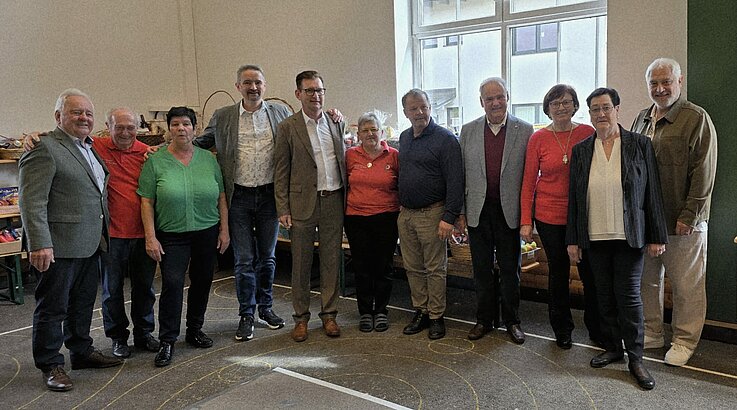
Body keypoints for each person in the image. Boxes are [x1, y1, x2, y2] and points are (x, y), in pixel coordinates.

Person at [23, 108, 161, 358]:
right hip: (108, 235)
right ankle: (118, 337)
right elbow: (63, 137)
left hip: (142, 233)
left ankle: (144, 333)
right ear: (108, 128)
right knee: (111, 291)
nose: (125, 133)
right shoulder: (95, 145)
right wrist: (35, 135)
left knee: (144, 289)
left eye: (131, 128)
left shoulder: (147, 152)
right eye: (119, 127)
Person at [19, 88, 123, 392]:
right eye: (76, 112)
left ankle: (81, 351)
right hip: (57, 245)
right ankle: (50, 363)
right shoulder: (44, 147)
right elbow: (31, 201)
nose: (84, 118)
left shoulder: (89, 147)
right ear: (58, 116)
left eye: (89, 113)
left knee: (82, 303)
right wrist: (39, 243)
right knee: (53, 307)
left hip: (90, 242)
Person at [566, 87, 668, 390]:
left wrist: (657, 235)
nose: (601, 114)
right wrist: (573, 239)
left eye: (606, 108)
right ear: (589, 114)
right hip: (594, 236)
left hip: (629, 236)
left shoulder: (640, 144)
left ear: (617, 110)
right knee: (603, 295)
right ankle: (613, 348)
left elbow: (652, 192)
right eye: (595, 109)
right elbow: (574, 198)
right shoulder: (581, 150)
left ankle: (636, 358)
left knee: (629, 297)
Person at [194, 65, 291, 341]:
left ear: (265, 85)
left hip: (270, 196)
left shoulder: (280, 113)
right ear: (238, 87)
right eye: (247, 82)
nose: (253, 87)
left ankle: (266, 308)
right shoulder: (223, 116)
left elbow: (300, 134)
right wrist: (169, 149)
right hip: (238, 197)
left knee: (268, 258)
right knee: (244, 259)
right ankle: (247, 314)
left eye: (258, 82)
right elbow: (202, 142)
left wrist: (332, 116)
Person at [631, 58, 718, 367]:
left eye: (666, 82)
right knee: (648, 282)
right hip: (647, 222)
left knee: (686, 287)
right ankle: (653, 333)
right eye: (653, 83)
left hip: (682, 222)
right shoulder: (641, 119)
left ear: (679, 82)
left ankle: (684, 340)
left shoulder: (696, 118)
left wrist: (689, 216)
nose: (660, 88)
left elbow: (704, 172)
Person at [138, 106, 230, 367]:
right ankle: (167, 340)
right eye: (176, 124)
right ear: (169, 129)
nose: (181, 129)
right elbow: (146, 201)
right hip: (171, 235)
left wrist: (224, 230)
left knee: (202, 281)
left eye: (186, 124)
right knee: (173, 284)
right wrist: (150, 237)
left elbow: (221, 196)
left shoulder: (209, 159)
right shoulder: (155, 161)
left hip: (206, 231)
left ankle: (195, 329)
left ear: (194, 128)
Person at [519, 84, 602, 349]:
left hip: (583, 216)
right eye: (555, 103)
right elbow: (528, 182)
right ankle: (562, 329)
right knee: (558, 272)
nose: (561, 107)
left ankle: (597, 328)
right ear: (547, 108)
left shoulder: (587, 133)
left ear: (575, 106)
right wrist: (525, 221)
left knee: (589, 272)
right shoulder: (538, 139)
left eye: (566, 102)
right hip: (548, 216)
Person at [457, 78, 533, 344]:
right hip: (478, 211)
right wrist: (461, 213)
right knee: (481, 269)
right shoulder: (467, 131)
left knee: (511, 269)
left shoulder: (525, 130)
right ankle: (484, 320)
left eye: (500, 97)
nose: (495, 103)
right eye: (489, 99)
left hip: (509, 212)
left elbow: (529, 178)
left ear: (507, 97)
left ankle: (512, 321)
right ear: (481, 102)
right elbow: (461, 175)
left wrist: (527, 217)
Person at [274, 70, 346, 342]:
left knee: (331, 261)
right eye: (310, 91)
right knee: (301, 264)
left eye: (319, 90)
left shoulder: (336, 122)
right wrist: (283, 207)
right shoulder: (287, 127)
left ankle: (329, 315)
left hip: (333, 201)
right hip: (301, 203)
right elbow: (281, 170)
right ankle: (301, 318)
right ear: (298, 94)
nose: (316, 96)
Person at [398, 89, 463, 340]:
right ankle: (421, 311)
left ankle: (436, 316)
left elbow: (455, 181)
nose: (420, 112)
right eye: (413, 109)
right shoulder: (404, 138)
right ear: (405, 112)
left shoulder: (445, 139)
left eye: (423, 107)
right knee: (413, 268)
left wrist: (449, 217)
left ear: (430, 108)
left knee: (435, 268)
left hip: (433, 214)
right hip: (407, 215)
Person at [344, 111, 399, 332]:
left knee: (383, 266)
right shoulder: (350, 156)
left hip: (387, 218)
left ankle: (382, 310)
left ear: (381, 132)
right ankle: (366, 311)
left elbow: (401, 184)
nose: (370, 134)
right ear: (358, 134)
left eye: (374, 129)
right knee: (362, 267)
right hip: (356, 219)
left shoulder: (393, 155)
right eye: (365, 130)